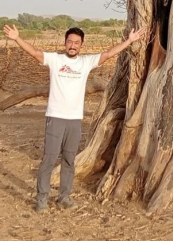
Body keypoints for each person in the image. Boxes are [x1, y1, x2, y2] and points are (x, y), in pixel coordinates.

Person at [2, 24, 145, 213]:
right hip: (55, 117)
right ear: (65, 42)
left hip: (74, 120)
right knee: (49, 159)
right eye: (69, 41)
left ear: (81, 45)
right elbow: (35, 53)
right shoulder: (55, 60)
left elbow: (108, 54)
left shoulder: (85, 63)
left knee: (69, 160)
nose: (72, 45)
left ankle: (64, 197)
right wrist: (17, 38)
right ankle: (42, 199)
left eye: (76, 42)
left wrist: (129, 41)